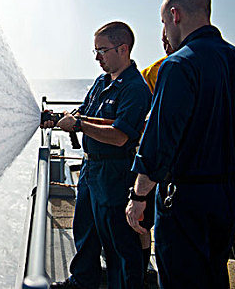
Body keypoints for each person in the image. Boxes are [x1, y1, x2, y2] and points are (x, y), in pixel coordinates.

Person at [126, 0, 235, 289]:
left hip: (185, 201)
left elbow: (158, 142)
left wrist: (139, 196)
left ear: (175, 14)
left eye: (164, 23)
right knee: (214, 274)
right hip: (230, 195)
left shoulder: (179, 64)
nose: (165, 32)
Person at [44, 21, 152, 288]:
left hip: (115, 174)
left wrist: (79, 125)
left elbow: (120, 136)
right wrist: (57, 118)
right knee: (86, 231)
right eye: (95, 51)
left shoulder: (135, 88)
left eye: (102, 51)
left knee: (118, 242)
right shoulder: (102, 81)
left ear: (123, 49)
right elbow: (83, 112)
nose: (97, 57)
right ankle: (83, 281)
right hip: (91, 171)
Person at [138, 30, 175, 284]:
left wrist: (138, 193)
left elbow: (159, 135)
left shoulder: (171, 70)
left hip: (167, 176)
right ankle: (143, 270)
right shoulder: (152, 73)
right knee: (143, 225)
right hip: (161, 175)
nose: (164, 40)